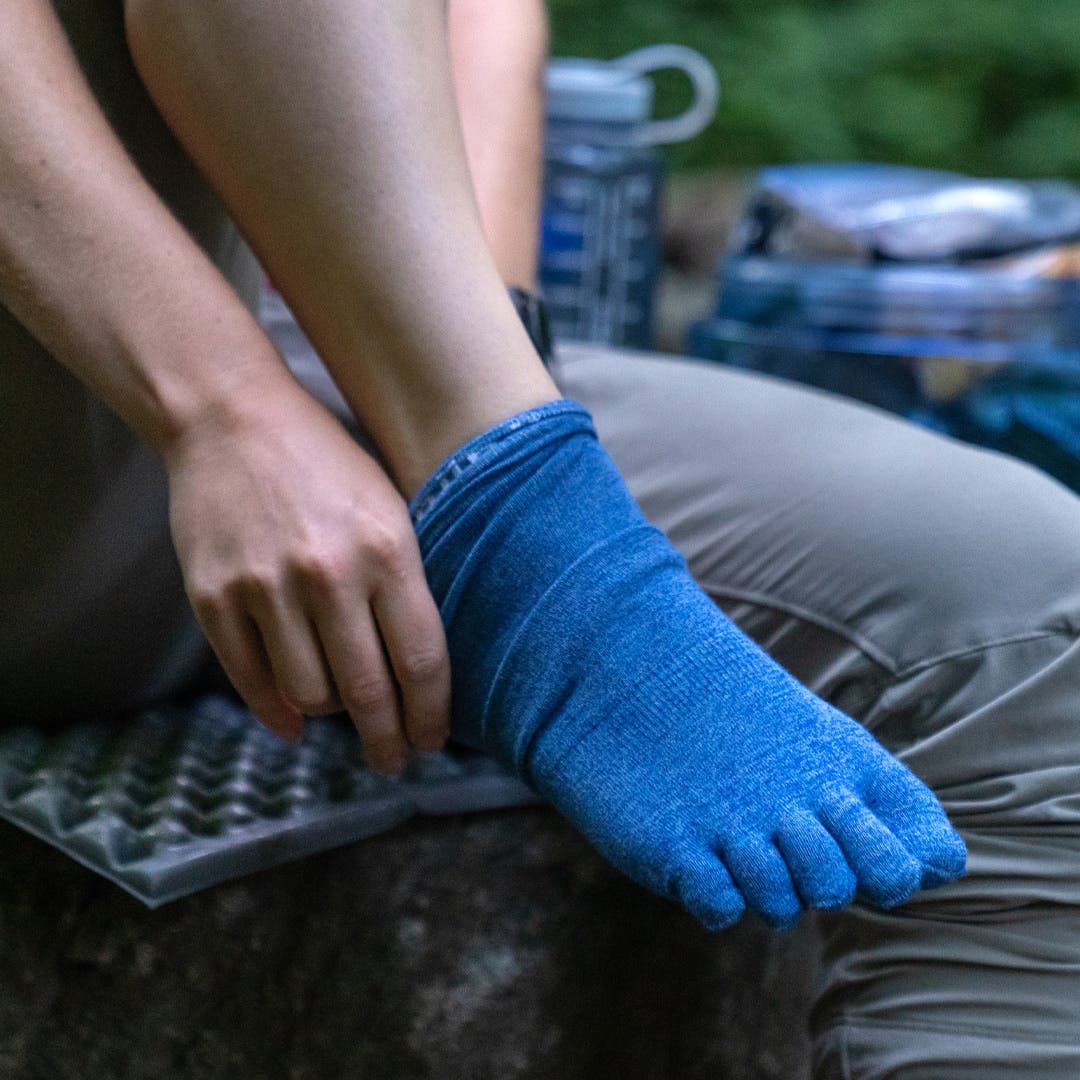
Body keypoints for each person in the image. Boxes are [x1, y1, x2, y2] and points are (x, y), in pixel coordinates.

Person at [1, 1, 1079, 1076]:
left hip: (365, 345)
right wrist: (224, 409)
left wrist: (467, 383)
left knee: (1020, 622)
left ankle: (508, 518)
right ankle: (519, 534)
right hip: (74, 366)